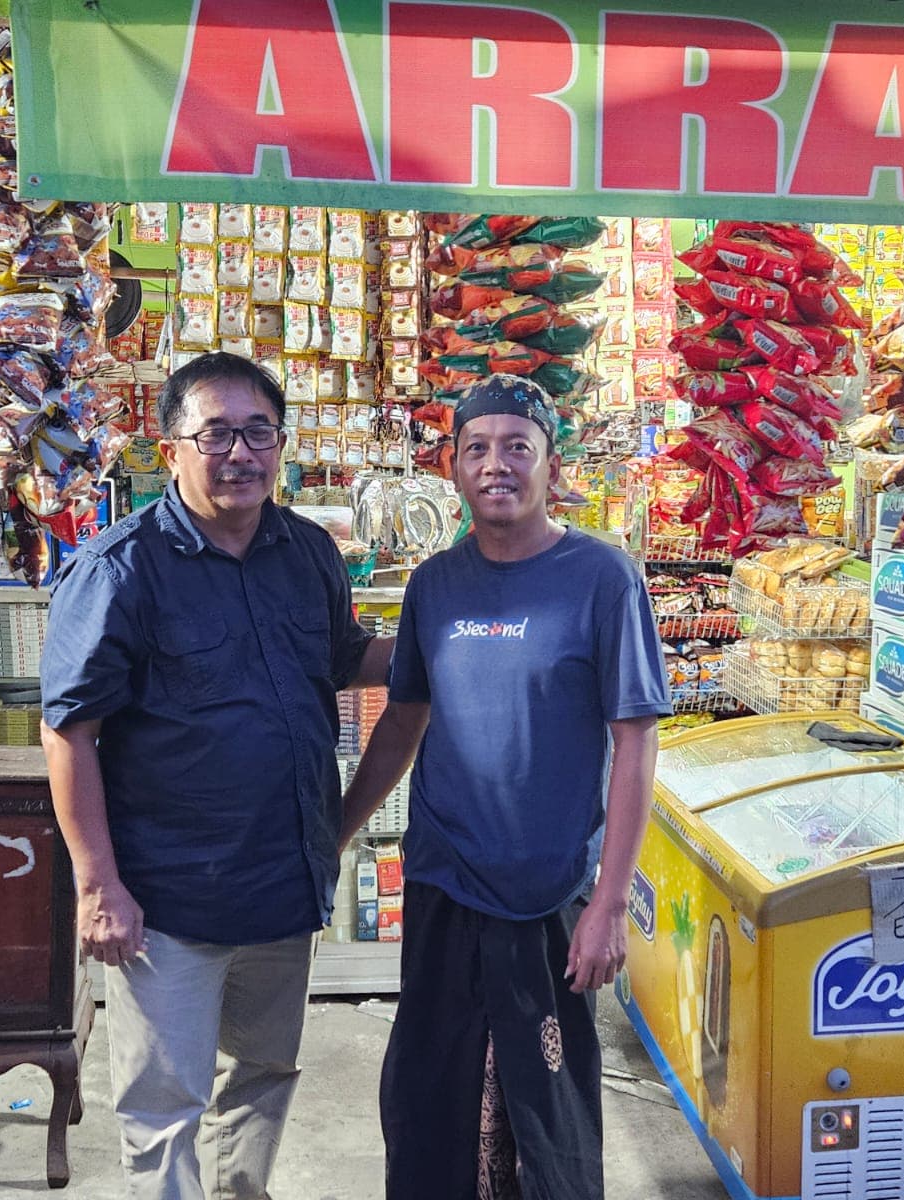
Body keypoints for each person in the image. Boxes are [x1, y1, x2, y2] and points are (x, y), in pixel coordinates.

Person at [39, 352, 392, 1200]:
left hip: (280, 883)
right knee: (165, 1106)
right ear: (172, 451)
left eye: (259, 431)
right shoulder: (120, 569)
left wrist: (453, 631)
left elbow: (347, 661)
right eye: (217, 434)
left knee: (265, 1073)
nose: (241, 453)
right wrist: (99, 888)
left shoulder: (308, 551)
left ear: (281, 443)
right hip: (170, 899)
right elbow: (69, 733)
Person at [340, 373, 671, 1199]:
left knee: (547, 1108)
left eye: (517, 447)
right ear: (452, 466)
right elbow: (403, 721)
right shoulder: (435, 585)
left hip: (552, 894)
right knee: (430, 1097)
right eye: (477, 448)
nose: (497, 465)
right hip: (445, 881)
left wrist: (609, 902)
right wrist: (334, 834)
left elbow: (636, 742)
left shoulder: (603, 578)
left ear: (551, 465)